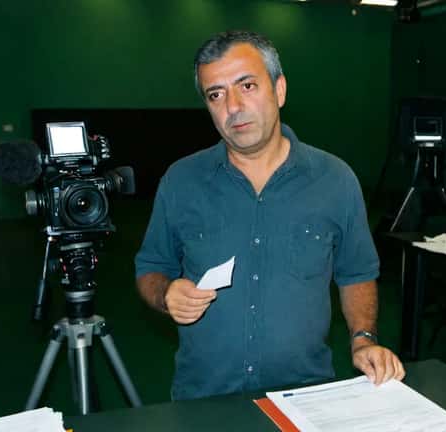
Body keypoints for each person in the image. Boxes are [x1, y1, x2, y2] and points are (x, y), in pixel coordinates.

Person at [134, 30, 405, 400]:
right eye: (216, 94)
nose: (233, 106)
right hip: (204, 400)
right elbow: (151, 266)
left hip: (305, 394)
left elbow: (356, 272)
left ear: (279, 90)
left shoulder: (335, 179)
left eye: (247, 86)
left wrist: (364, 339)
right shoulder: (181, 181)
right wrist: (166, 293)